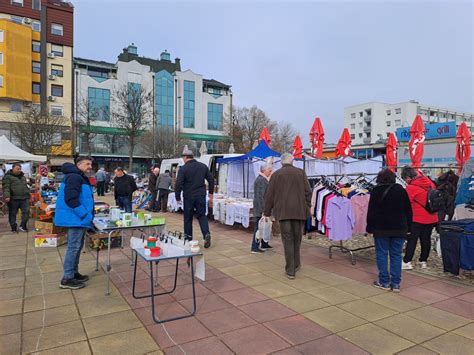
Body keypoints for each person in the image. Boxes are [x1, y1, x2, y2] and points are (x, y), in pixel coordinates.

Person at [264, 153, 311, 279]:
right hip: (299, 211)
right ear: (292, 161)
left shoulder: (276, 175)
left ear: (281, 162)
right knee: (297, 238)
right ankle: (296, 264)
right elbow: (308, 192)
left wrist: (267, 212)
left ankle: (291, 269)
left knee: (287, 239)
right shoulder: (300, 173)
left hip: (283, 212)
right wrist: (307, 206)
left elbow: (269, 195)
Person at [367, 169, 413, 292]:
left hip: (381, 228)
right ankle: (396, 283)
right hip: (399, 228)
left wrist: (369, 227)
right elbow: (408, 210)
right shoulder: (401, 190)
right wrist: (409, 227)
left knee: (382, 254)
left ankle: (384, 282)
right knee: (396, 255)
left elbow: (371, 211)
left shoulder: (376, 191)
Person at [54, 157, 94, 290]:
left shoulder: (77, 176)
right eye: (87, 164)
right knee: (73, 248)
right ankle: (67, 278)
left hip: (78, 218)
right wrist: (84, 214)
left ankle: (73, 273)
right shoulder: (75, 177)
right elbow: (71, 199)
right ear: (78, 164)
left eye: (90, 164)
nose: (90, 166)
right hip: (76, 218)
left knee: (77, 247)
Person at [175, 148, 214, 248]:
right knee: (202, 216)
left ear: (185, 157)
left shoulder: (183, 168)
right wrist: (211, 193)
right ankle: (206, 234)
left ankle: (188, 240)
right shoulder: (203, 166)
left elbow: (178, 184)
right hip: (201, 195)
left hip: (188, 196)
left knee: (188, 218)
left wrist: (177, 196)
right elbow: (211, 179)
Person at [401, 167, 439, 270]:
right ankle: (423, 261)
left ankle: (407, 261)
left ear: (408, 177)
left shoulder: (411, 188)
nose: (406, 182)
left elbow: (405, 204)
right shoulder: (430, 183)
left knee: (412, 240)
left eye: (405, 179)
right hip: (432, 217)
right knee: (426, 239)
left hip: (417, 219)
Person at [251, 163, 273, 253]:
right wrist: (264, 210)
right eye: (269, 170)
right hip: (261, 209)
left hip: (262, 208)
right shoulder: (261, 180)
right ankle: (254, 247)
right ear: (264, 170)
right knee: (259, 228)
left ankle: (264, 244)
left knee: (265, 227)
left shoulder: (262, 179)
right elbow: (261, 197)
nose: (270, 172)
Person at [2, 163, 30, 232]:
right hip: (13, 199)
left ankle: (23, 226)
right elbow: (6, 187)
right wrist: (7, 196)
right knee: (12, 214)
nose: (19, 170)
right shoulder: (7, 177)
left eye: (20, 169)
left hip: (24, 198)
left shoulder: (23, 177)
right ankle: (13, 228)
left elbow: (25, 186)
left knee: (26, 212)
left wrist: (28, 194)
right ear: (13, 168)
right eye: (18, 169)